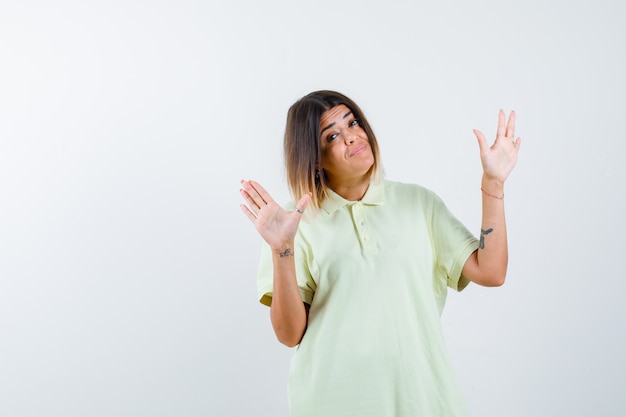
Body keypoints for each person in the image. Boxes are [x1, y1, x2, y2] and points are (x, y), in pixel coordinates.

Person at [239, 90, 520, 417]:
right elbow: (289, 335)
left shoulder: (419, 203)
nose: (351, 137)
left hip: (423, 401)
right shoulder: (291, 222)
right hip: (332, 404)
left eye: (353, 122)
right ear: (314, 159)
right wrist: (282, 250)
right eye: (332, 136)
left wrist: (494, 183)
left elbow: (491, 271)